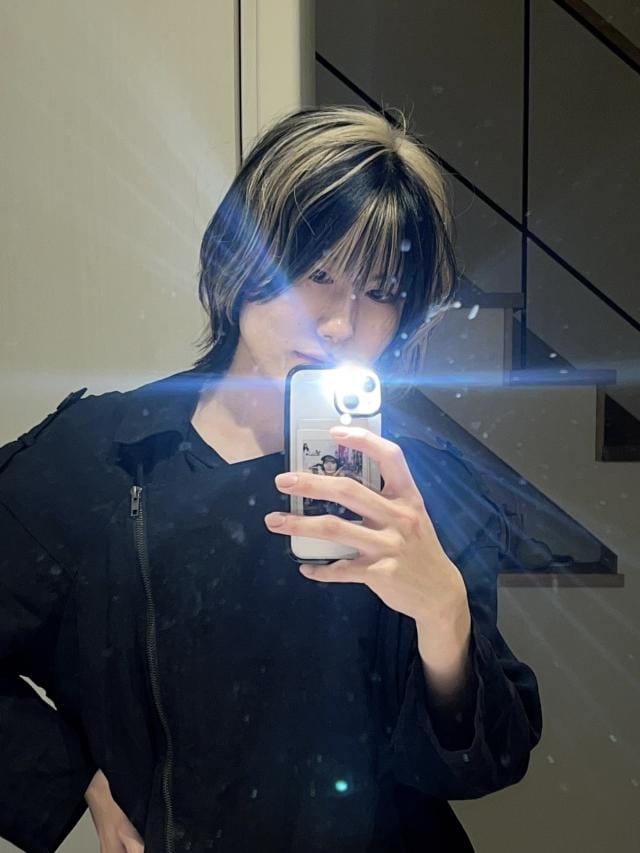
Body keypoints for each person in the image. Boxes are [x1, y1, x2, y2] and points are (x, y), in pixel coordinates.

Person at [0, 105, 542, 852]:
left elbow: (481, 763)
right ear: (241, 260)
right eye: (316, 273)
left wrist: (441, 612)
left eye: (381, 290)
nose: (342, 324)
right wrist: (76, 781)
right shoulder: (104, 456)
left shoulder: (419, 485)